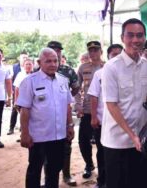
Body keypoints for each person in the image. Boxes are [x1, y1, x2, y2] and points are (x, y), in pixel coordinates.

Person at [101, 18, 147, 188]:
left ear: (144, 38)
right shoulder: (111, 67)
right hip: (117, 142)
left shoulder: (146, 65)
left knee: (142, 183)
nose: (135, 40)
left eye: (139, 35)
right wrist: (132, 135)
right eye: (130, 35)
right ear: (122, 37)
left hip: (142, 140)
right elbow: (112, 105)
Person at [16, 48, 74, 188]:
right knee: (35, 169)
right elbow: (25, 109)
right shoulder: (29, 81)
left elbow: (67, 105)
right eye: (48, 61)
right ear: (39, 62)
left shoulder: (63, 80)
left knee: (54, 169)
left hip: (58, 135)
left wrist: (70, 125)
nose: (53, 64)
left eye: (55, 61)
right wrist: (24, 133)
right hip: (38, 136)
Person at [88, 43, 123, 188]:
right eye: (113, 54)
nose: (117, 57)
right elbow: (94, 96)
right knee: (102, 153)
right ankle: (102, 181)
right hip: (103, 122)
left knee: (120, 154)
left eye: (119, 54)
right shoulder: (99, 73)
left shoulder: (128, 73)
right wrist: (94, 117)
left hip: (122, 123)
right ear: (108, 56)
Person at [47, 40, 80, 186]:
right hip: (46, 117)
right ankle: (48, 177)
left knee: (66, 146)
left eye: (58, 50)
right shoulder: (38, 70)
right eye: (53, 50)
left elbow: (76, 87)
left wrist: (67, 98)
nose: (56, 52)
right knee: (46, 148)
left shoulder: (68, 71)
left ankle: (66, 175)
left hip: (64, 113)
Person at [75, 41, 104, 179]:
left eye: (95, 50)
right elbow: (76, 88)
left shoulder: (108, 67)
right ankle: (89, 164)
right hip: (86, 110)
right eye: (90, 50)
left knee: (101, 143)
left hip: (102, 112)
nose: (92, 53)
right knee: (83, 141)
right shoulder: (83, 68)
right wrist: (78, 105)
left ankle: (103, 171)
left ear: (101, 52)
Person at [8, 51, 28, 135]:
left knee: (25, 111)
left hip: (27, 93)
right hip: (16, 91)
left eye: (26, 57)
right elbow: (11, 78)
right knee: (15, 109)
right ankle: (11, 128)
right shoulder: (14, 67)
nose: (25, 59)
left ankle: (22, 129)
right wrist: (11, 91)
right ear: (19, 58)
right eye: (23, 57)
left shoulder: (29, 67)